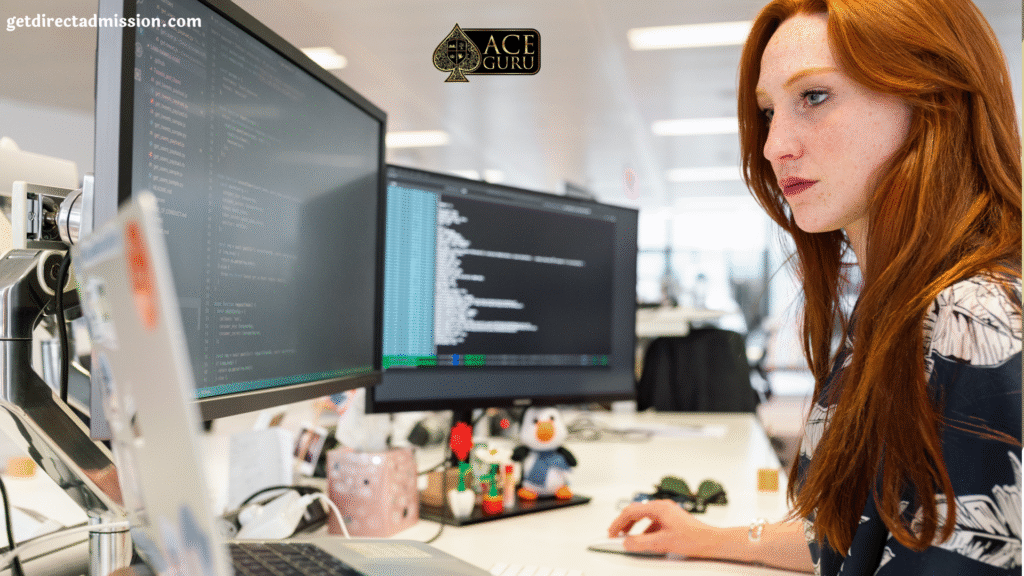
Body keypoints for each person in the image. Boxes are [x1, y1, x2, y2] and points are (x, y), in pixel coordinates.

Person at [607, 0, 1022, 573]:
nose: (773, 145)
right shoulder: (899, 306)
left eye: (815, 96)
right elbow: (862, 538)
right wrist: (707, 538)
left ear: (935, 99)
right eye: (768, 111)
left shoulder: (972, 320)